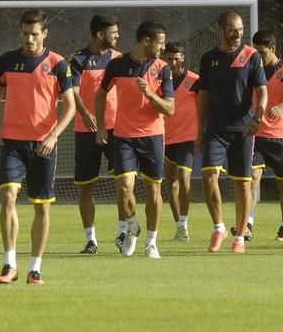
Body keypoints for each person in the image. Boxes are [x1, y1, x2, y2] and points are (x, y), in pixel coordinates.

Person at [0, 10, 76, 284]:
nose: (29, 39)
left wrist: (53, 136)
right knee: (8, 196)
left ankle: (35, 268)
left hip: (43, 145)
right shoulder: (7, 61)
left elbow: (70, 106)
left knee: (42, 207)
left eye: (34, 34)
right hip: (12, 142)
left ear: (44, 34)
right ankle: (9, 264)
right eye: (25, 33)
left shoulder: (58, 64)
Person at [95, 20, 174, 259]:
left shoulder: (163, 69)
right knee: (124, 188)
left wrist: (150, 94)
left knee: (153, 190)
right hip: (124, 137)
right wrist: (101, 126)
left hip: (153, 137)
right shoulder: (117, 66)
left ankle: (151, 242)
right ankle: (132, 226)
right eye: (159, 43)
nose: (162, 48)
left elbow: (170, 108)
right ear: (146, 41)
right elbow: (101, 95)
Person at [196, 10, 267, 253]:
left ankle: (239, 237)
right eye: (232, 30)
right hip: (215, 128)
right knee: (208, 177)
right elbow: (202, 96)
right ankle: (219, 227)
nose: (237, 34)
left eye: (240, 30)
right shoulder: (209, 58)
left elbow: (263, 91)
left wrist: (258, 117)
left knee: (242, 185)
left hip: (243, 130)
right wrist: (199, 131)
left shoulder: (251, 56)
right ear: (221, 29)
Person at [235, 29, 283, 242]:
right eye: (255, 51)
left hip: (280, 137)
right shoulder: (251, 69)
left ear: (273, 49)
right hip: (255, 135)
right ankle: (247, 225)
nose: (257, 56)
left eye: (262, 52)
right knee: (251, 180)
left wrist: (281, 107)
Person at [69, 14, 121, 254]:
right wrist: (86, 114)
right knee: (86, 187)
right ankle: (91, 240)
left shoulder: (119, 59)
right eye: (113, 32)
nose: (117, 36)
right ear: (100, 35)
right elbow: (74, 92)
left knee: (125, 182)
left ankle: (123, 232)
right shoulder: (78, 59)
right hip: (86, 131)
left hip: (116, 129)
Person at [162, 41, 199, 241]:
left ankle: (184, 223)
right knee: (172, 184)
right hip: (165, 139)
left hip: (187, 138)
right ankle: (179, 226)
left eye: (176, 59)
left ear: (183, 59)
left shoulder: (194, 80)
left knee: (184, 180)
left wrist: (201, 134)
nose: (173, 63)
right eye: (169, 59)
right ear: (163, 59)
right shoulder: (158, 80)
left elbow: (204, 109)